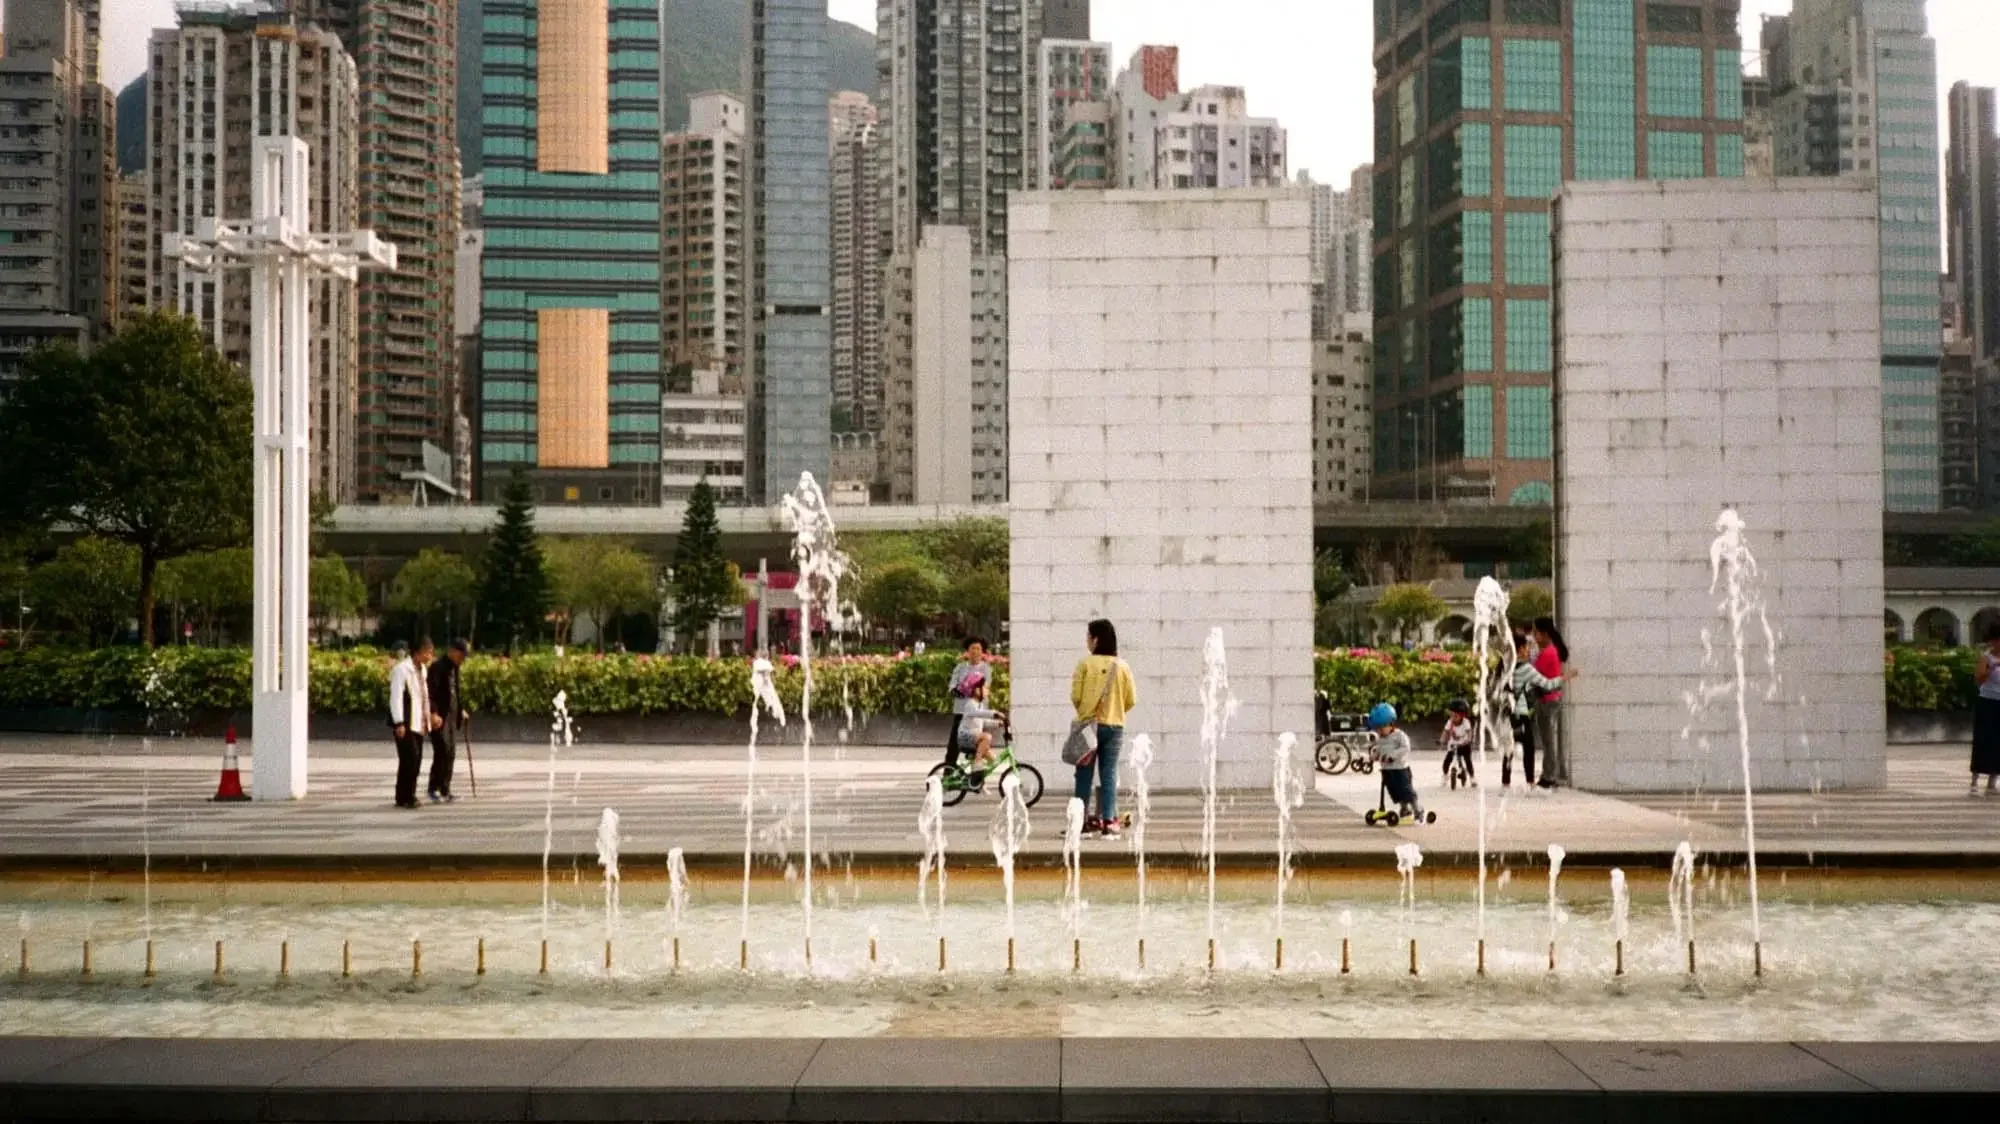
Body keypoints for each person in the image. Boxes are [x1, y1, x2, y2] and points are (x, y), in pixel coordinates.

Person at [1071, 619, 1137, 839]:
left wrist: (1086, 712)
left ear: (1096, 639)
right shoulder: (1122, 666)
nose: (1087, 641)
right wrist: (1114, 711)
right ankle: (1109, 822)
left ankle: (1081, 823)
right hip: (1114, 726)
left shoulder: (1084, 664)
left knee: (1084, 775)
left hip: (1088, 726)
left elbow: (1076, 696)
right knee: (1108, 773)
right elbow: (1131, 700)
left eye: (1088, 637)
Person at [1501, 634, 1563, 788]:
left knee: (1509, 749)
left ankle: (1505, 783)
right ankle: (1530, 783)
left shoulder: (1503, 667)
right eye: (1526, 647)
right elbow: (1547, 684)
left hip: (1507, 716)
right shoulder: (1525, 669)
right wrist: (1565, 677)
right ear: (1520, 649)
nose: (1528, 650)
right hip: (1521, 714)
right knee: (1529, 748)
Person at [387, 639, 435, 809]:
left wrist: (428, 717)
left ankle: (403, 795)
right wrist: (399, 722)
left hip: (418, 721)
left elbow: (424, 696)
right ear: (418, 652)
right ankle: (408, 796)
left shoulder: (422, 670)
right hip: (405, 722)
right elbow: (396, 697)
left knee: (415, 758)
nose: (430, 656)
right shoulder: (401, 669)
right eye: (428, 652)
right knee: (410, 759)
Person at [426, 638, 469, 803]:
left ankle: (445, 789)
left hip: (451, 716)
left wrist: (461, 709)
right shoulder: (437, 667)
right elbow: (430, 693)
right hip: (439, 717)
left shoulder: (455, 668)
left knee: (450, 752)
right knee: (441, 751)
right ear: (453, 651)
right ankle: (433, 788)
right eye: (461, 655)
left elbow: (456, 691)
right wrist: (433, 712)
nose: (463, 659)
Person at [1368, 702, 1424, 823]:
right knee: (1395, 792)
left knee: (1406, 791)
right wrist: (1374, 756)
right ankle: (1404, 809)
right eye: (1377, 728)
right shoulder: (1381, 738)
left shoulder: (1399, 735)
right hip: (1387, 771)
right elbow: (1379, 749)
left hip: (1400, 770)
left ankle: (1417, 809)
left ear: (1391, 723)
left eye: (1381, 727)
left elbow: (1405, 748)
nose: (1379, 731)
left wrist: (1392, 756)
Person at [1531, 617, 1570, 789]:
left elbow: (1533, 674)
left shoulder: (1548, 653)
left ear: (1545, 634)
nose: (1534, 636)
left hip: (1547, 701)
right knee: (1548, 741)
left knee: (1548, 742)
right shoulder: (1550, 650)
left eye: (1536, 633)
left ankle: (1549, 776)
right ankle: (1548, 774)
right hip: (1549, 700)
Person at [944, 637, 992, 767]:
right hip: (961, 711)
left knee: (981, 746)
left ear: (982, 651)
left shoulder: (986, 668)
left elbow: (985, 689)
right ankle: (948, 771)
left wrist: (971, 689)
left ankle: (976, 774)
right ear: (967, 651)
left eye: (979, 649)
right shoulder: (960, 667)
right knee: (954, 745)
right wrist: (962, 690)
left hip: (978, 713)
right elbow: (952, 688)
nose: (976, 651)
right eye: (973, 648)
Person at [953, 674, 1007, 780]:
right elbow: (979, 713)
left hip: (974, 738)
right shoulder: (970, 704)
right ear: (977, 690)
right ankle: (977, 762)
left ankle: (976, 780)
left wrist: (998, 723)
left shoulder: (979, 705)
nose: (988, 691)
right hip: (965, 737)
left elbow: (984, 722)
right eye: (985, 688)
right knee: (987, 737)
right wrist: (995, 713)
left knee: (993, 760)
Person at [1973, 623, 2000, 796]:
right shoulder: (1986, 658)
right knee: (1983, 741)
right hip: (1987, 703)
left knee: (1998, 743)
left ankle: (1992, 782)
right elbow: (1979, 680)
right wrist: (1991, 669)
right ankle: (1974, 780)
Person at [1439, 698, 1475, 786]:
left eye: (1455, 716)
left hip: (1464, 745)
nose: (1453, 718)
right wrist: (1442, 740)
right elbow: (1445, 732)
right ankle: (1445, 775)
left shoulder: (1466, 722)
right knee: (1446, 762)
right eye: (1451, 715)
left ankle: (1472, 777)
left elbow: (1469, 732)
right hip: (1453, 746)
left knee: (1468, 761)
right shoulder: (1450, 722)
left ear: (1462, 716)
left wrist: (1469, 739)